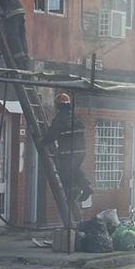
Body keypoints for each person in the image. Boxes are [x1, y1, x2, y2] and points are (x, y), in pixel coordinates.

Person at [42, 93, 90, 222]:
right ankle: (86, 187)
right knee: (75, 169)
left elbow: (51, 135)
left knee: (65, 172)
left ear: (58, 105)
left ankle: (73, 192)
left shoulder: (60, 119)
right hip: (80, 152)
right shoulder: (73, 117)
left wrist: (43, 141)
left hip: (69, 152)